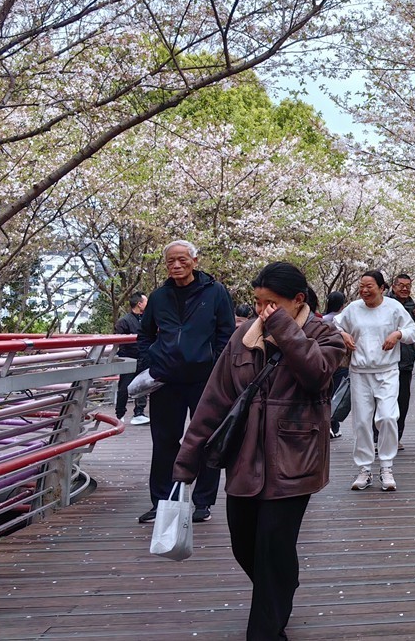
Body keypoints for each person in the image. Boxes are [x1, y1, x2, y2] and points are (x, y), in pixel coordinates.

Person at [172, 261, 345, 641]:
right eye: (257, 302)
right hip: (244, 458)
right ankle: (282, 583)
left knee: (273, 545)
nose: (262, 310)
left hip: (295, 458)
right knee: (244, 543)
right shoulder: (243, 337)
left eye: (272, 303)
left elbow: (316, 374)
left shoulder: (325, 335)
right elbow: (215, 399)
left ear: (298, 299)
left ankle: (265, 630)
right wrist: (187, 460)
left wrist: (282, 327)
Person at [136, 239, 234, 525]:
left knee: (206, 439)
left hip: (204, 379)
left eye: (182, 259)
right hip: (166, 380)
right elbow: (145, 334)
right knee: (163, 441)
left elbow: (226, 332)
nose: (176, 265)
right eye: (171, 261)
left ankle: (203, 502)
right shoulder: (159, 297)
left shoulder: (215, 292)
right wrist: (151, 363)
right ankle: (161, 502)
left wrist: (216, 367)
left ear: (194, 261)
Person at [333, 270, 415, 491]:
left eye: (369, 286)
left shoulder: (394, 307)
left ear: (382, 288)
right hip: (360, 372)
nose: (364, 290)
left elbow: (412, 331)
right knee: (362, 421)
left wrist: (397, 334)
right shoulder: (353, 308)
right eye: (362, 286)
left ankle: (386, 466)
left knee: (388, 417)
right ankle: (364, 469)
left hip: (387, 370)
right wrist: (343, 334)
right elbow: (334, 325)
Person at [386, 273, 415, 448]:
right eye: (401, 285)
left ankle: (396, 437)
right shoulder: (384, 304)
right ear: (393, 286)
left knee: (402, 400)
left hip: (405, 361)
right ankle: (378, 436)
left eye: (408, 286)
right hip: (385, 360)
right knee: (383, 400)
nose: (404, 288)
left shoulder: (412, 306)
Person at [113, 291, 149, 425]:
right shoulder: (124, 321)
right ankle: (120, 414)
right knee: (124, 387)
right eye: (146, 302)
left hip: (144, 357)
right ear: (139, 304)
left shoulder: (147, 320)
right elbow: (119, 342)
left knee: (143, 386)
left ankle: (139, 413)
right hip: (128, 358)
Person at [322, 291, 347, 439]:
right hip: (341, 362)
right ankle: (334, 426)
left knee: (327, 394)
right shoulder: (343, 319)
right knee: (338, 395)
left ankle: (328, 426)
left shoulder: (322, 320)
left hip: (325, 361)